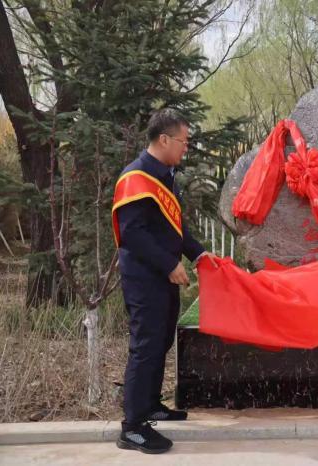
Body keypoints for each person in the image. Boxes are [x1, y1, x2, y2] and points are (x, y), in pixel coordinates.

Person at [112, 109, 217, 454]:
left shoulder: (164, 175)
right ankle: (133, 427)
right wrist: (170, 263)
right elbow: (132, 234)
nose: (186, 148)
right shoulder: (136, 177)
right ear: (164, 140)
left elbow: (174, 228)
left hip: (163, 277)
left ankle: (151, 405)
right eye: (184, 141)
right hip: (145, 278)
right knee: (145, 346)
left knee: (160, 343)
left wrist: (198, 254)